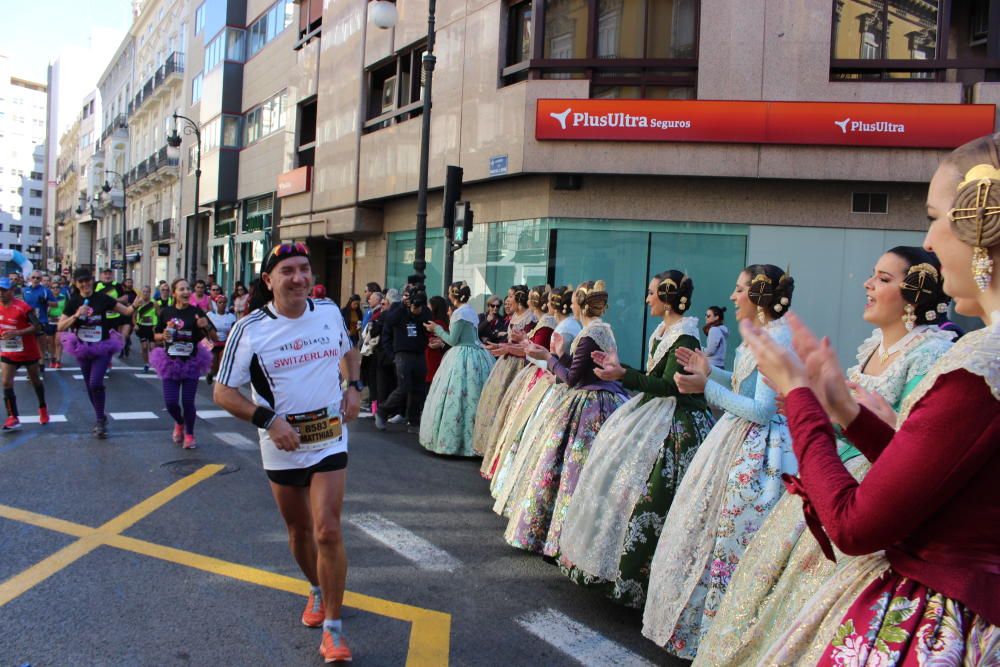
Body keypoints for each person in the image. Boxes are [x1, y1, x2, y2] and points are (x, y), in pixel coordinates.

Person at [732, 135, 1000, 667]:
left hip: (946, 605)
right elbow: (934, 463)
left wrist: (799, 396)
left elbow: (856, 526)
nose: (928, 237)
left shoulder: (980, 364)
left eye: (935, 216)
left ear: (979, 229)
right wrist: (848, 413)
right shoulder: (980, 356)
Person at [694, 248, 956, 666]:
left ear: (915, 294)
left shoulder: (928, 355)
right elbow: (844, 417)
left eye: (884, 279)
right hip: (834, 470)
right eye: (873, 276)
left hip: (874, 486)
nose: (868, 285)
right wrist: (814, 404)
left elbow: (917, 444)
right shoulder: (872, 347)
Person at [213, 241, 361, 663]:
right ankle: (318, 589)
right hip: (281, 444)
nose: (298, 278)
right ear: (269, 280)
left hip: (329, 436)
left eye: (304, 269)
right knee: (298, 533)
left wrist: (353, 387)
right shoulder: (251, 328)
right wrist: (268, 421)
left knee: (327, 529)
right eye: (287, 271)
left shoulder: (329, 311)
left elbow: (348, 350)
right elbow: (223, 392)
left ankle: (333, 628)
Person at [641, 264, 796, 658]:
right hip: (736, 437)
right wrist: (712, 372)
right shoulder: (761, 336)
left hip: (760, 450)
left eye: (740, 289)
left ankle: (720, 635)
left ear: (758, 297)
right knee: (704, 529)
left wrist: (705, 386)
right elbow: (747, 386)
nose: (732, 297)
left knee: (728, 537)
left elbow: (762, 410)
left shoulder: (775, 340)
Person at [559, 271, 716, 609]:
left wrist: (624, 375)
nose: (647, 300)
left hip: (677, 423)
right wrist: (622, 369)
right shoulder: (665, 332)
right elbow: (654, 377)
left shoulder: (685, 338)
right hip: (653, 414)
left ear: (668, 297)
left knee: (650, 496)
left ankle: (639, 580)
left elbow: (673, 386)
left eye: (651, 293)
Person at [507, 281, 628, 556]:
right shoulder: (603, 331)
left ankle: (560, 535)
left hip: (588, 405)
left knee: (568, 470)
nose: (570, 305)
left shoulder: (589, 335)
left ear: (581, 305)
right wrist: (559, 356)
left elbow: (572, 379)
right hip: (606, 400)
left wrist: (549, 358)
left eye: (574, 300)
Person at [489, 286, 580, 515]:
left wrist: (527, 350)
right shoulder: (561, 325)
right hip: (546, 378)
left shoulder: (563, 327)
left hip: (552, 383)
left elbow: (559, 363)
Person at [480, 285, 556, 478]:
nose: (508, 300)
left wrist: (510, 347)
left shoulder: (543, 322)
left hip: (534, 372)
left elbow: (533, 351)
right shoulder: (540, 321)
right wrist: (505, 345)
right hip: (521, 367)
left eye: (513, 296)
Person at [419, 282, 496, 455]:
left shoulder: (459, 313)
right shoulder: (471, 311)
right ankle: (474, 441)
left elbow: (453, 340)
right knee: (472, 398)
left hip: (461, 355)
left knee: (456, 398)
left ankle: (456, 443)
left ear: (454, 296)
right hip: (477, 354)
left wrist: (436, 329)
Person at [57, 268, 135, 438]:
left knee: (95, 383)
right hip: (82, 347)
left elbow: (127, 312)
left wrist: (138, 302)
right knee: (89, 386)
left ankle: (99, 420)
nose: (85, 284)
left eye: (87, 280)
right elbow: (60, 327)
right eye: (81, 282)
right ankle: (101, 417)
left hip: (102, 345)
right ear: (76, 284)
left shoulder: (102, 298)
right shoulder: (73, 301)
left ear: (92, 281)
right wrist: (76, 315)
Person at [150, 278, 214, 449]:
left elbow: (212, 339)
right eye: (181, 289)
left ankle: (190, 435)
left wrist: (205, 327)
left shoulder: (197, 312)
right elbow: (155, 336)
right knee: (171, 402)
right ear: (174, 293)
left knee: (187, 401)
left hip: (191, 362)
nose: (186, 292)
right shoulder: (166, 312)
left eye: (188, 289)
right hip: (170, 362)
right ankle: (179, 422)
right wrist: (162, 335)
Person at [472, 286, 536, 454]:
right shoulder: (514, 316)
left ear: (519, 299)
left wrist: (506, 348)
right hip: (506, 363)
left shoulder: (530, 318)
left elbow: (527, 348)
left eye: (510, 297)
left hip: (519, 365)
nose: (507, 301)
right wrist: (500, 345)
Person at [374, 288, 431, 433]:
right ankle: (382, 411)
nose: (411, 301)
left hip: (419, 353)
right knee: (403, 387)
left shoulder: (422, 310)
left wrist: (417, 310)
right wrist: (402, 306)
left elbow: (427, 321)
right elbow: (390, 321)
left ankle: (414, 421)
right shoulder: (396, 310)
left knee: (418, 389)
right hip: (402, 354)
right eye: (407, 296)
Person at [0, 277, 49, 430]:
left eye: (4, 290)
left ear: (12, 290)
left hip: (28, 351)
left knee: (35, 381)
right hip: (8, 351)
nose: (1, 294)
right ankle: (12, 417)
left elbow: (38, 327)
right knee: (6, 383)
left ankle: (42, 408)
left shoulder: (23, 307)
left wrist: (18, 332)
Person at [21, 271, 57, 369]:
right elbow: (21, 304)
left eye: (38, 278)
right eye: (33, 277)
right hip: (27, 321)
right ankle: (32, 367)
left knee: (40, 346)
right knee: (29, 346)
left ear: (41, 280)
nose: (35, 280)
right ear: (29, 279)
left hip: (41, 321)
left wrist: (46, 302)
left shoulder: (46, 291)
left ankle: (41, 365)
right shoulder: (25, 291)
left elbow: (55, 304)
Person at [358, 290, 384, 415]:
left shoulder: (378, 314)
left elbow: (373, 331)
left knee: (374, 378)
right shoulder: (371, 312)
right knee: (370, 378)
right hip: (369, 348)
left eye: (372, 298)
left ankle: (374, 405)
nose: (369, 300)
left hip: (373, 349)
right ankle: (373, 403)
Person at [206, 294, 236, 386]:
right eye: (220, 302)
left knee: (222, 363)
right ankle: (210, 374)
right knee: (213, 365)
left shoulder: (231, 316)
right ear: (216, 303)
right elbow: (205, 330)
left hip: (225, 343)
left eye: (224, 303)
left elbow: (234, 330)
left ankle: (221, 383)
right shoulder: (210, 315)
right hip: (212, 342)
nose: (222, 304)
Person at [424, 295, 449, 383]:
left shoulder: (437, 324)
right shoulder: (442, 323)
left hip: (433, 361)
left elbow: (432, 342)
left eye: (429, 308)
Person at [133, 285, 158, 373]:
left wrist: (156, 326)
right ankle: (146, 364)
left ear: (150, 293)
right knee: (144, 347)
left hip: (151, 327)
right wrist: (135, 324)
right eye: (144, 291)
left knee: (152, 347)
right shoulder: (138, 302)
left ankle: (155, 363)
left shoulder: (154, 303)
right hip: (142, 326)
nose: (145, 293)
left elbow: (158, 314)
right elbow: (134, 314)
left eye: (147, 292)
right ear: (141, 292)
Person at [47, 276, 70, 368]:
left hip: (61, 322)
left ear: (60, 289)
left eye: (57, 287)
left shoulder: (64, 297)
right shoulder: (47, 298)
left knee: (58, 341)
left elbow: (68, 309)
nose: (56, 289)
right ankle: (52, 358)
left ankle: (58, 360)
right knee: (50, 342)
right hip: (49, 321)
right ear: (50, 289)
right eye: (53, 287)